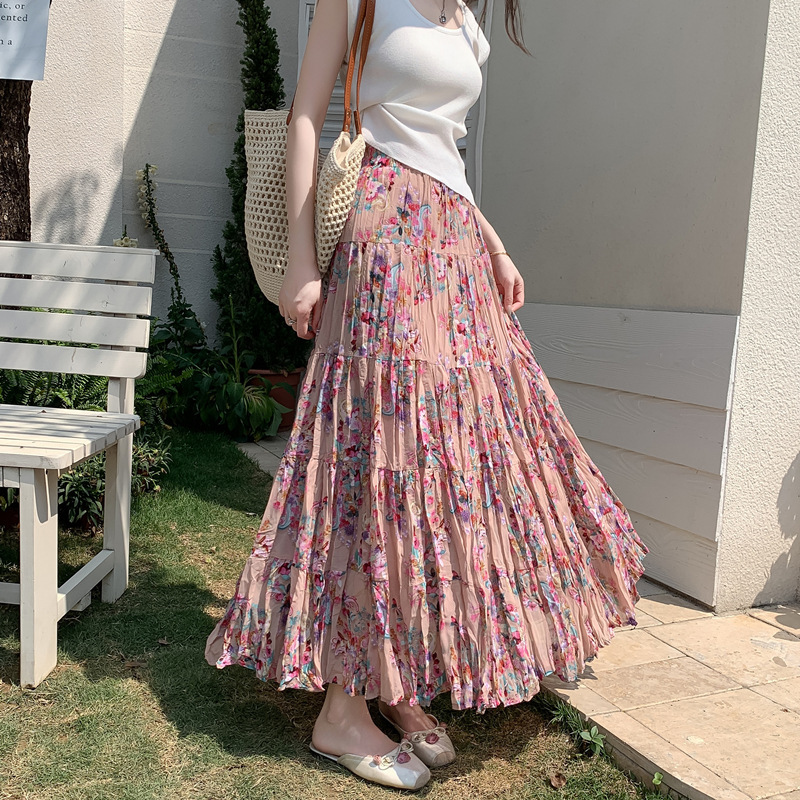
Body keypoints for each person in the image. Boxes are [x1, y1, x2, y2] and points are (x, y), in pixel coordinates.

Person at [205, 0, 647, 790]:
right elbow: (306, 118)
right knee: (382, 454)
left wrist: (495, 244)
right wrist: (301, 262)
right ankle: (342, 710)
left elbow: (446, 152)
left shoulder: (465, 20)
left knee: (458, 457)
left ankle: (395, 678)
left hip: (453, 245)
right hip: (382, 234)